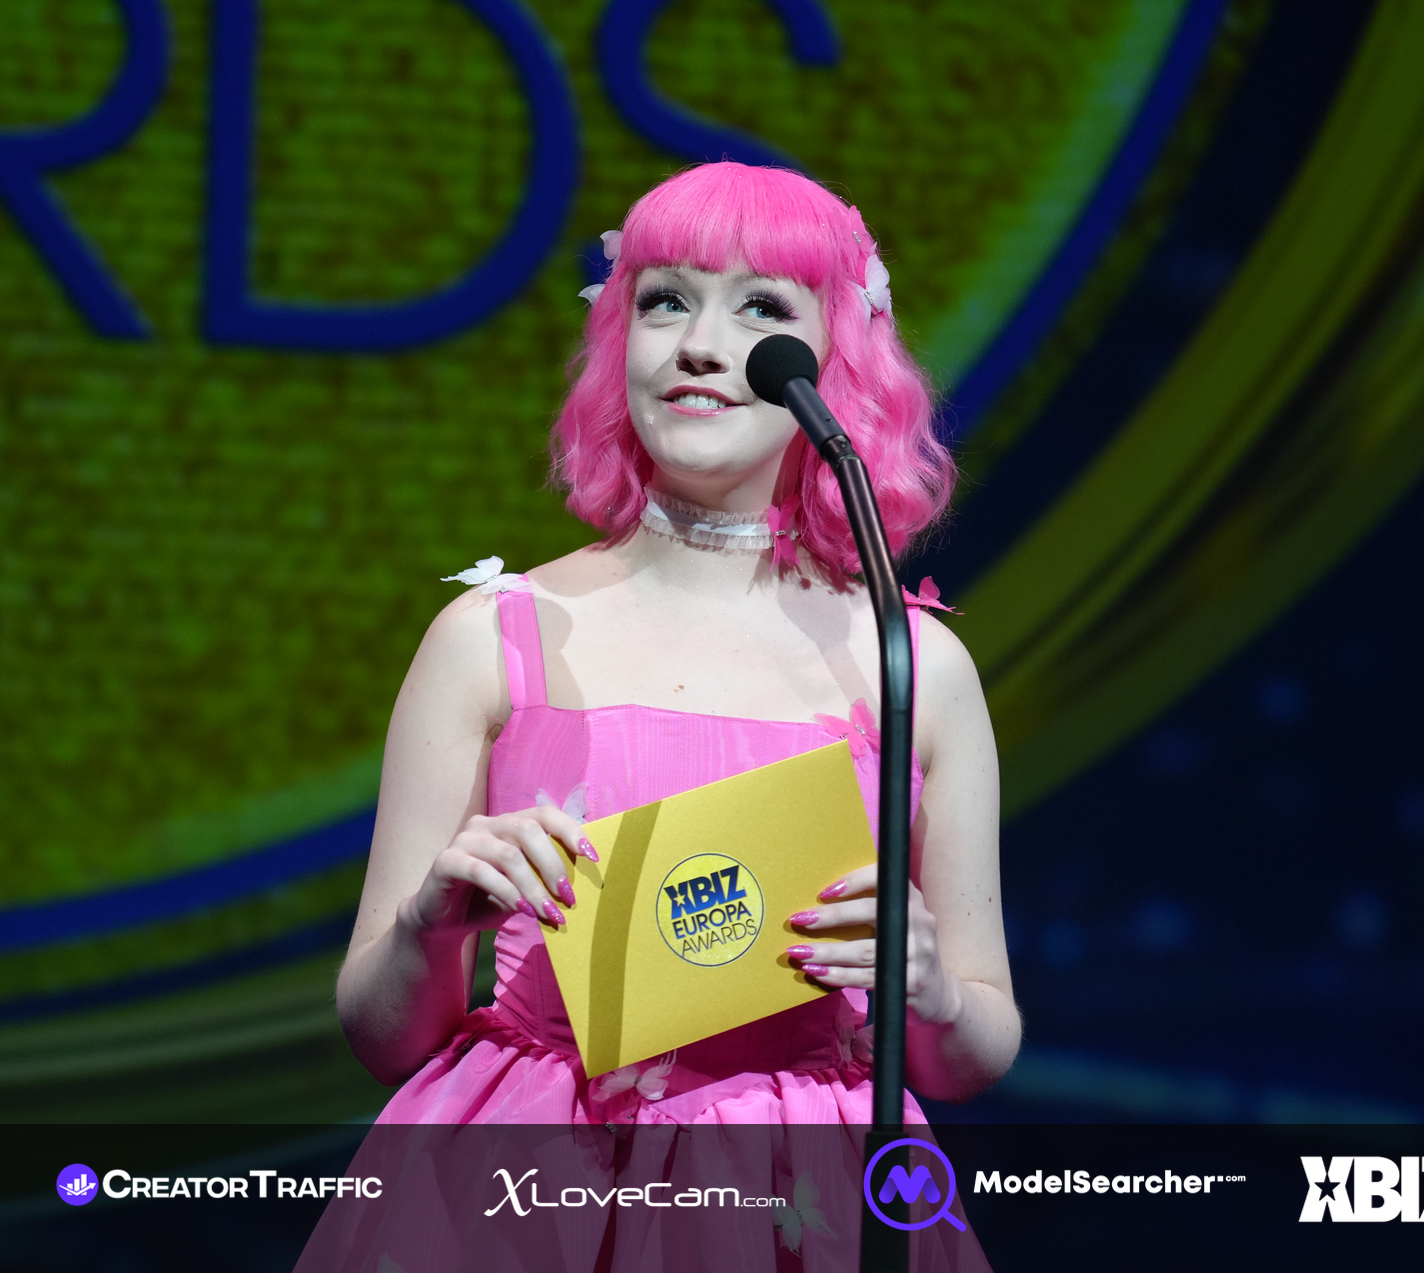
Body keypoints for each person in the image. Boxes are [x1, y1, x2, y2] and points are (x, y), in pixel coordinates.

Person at [336, 161, 1019, 1129]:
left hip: (797, 1179)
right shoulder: (491, 637)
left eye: (760, 308)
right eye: (665, 301)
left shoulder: (913, 663)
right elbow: (381, 1039)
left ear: (839, 356)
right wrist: (428, 926)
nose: (700, 345)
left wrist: (933, 990)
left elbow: (974, 1055)